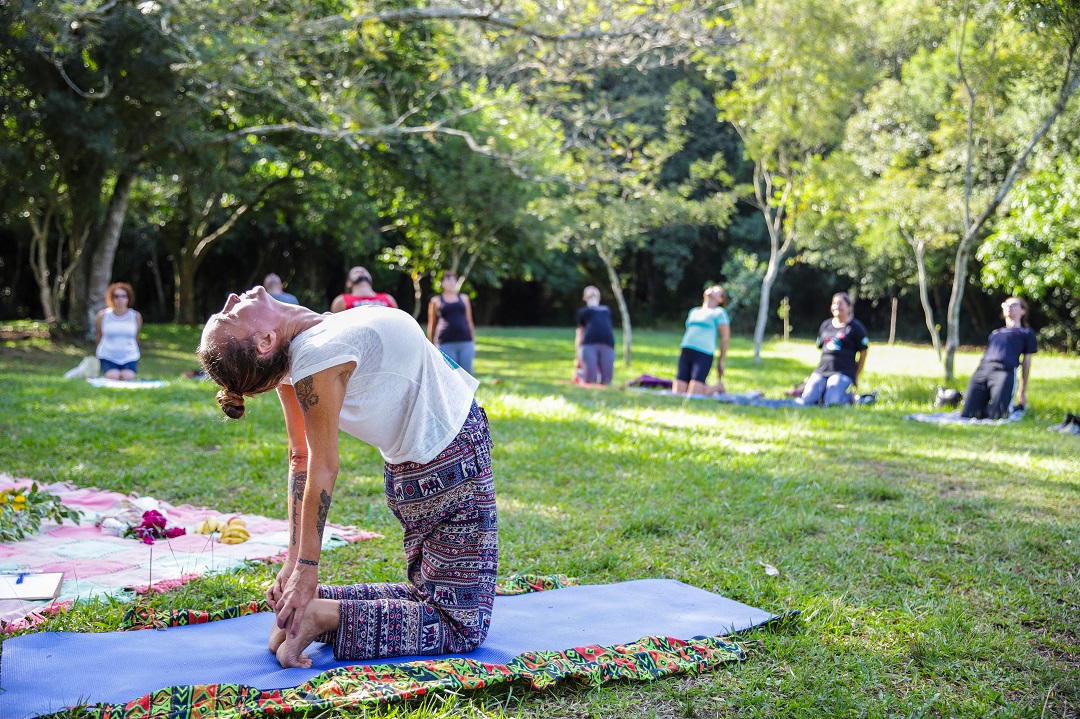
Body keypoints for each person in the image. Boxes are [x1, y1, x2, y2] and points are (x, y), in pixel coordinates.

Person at [197, 288, 497, 668]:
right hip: (451, 465)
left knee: (430, 596)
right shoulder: (316, 355)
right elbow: (317, 464)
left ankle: (308, 608)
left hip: (424, 472)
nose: (230, 298)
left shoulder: (303, 350)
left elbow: (300, 458)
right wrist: (304, 567)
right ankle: (321, 617)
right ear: (265, 340)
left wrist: (296, 568)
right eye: (230, 315)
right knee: (461, 625)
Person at [960, 296, 1037, 419]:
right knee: (968, 415)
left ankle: (1017, 407)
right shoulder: (996, 333)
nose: (1009, 307)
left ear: (1023, 311)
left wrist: (1022, 391)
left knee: (997, 415)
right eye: (1006, 305)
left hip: (1004, 371)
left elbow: (1027, 361)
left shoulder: (1026, 333)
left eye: (1014, 304)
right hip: (983, 370)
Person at [796, 292, 869, 406]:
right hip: (822, 371)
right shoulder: (825, 325)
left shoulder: (856, 327)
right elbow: (820, 345)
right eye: (834, 303)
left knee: (831, 402)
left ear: (849, 307)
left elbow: (863, 352)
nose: (837, 306)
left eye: (841, 303)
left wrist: (856, 375)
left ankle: (853, 397)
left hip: (843, 372)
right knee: (807, 400)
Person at [674, 285, 730, 396]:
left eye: (717, 291)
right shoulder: (694, 311)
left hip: (703, 353)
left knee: (693, 394)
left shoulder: (719, 312)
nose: (712, 289)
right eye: (712, 288)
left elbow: (725, 338)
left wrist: (721, 361)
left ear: (720, 300)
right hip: (686, 351)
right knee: (677, 393)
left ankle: (718, 387)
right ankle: (702, 386)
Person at [426, 270, 476, 375]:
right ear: (442, 283)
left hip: (465, 341)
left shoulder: (464, 298)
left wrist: (473, 341)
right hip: (445, 342)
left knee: (467, 375)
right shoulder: (436, 301)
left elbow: (469, 321)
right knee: (450, 375)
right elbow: (432, 324)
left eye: (454, 280)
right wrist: (431, 345)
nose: (452, 283)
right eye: (449, 280)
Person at [95, 282, 143, 380]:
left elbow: (136, 337)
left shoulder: (136, 316)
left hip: (129, 356)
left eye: (123, 296)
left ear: (128, 298)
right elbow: (99, 336)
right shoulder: (102, 316)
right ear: (111, 298)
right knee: (113, 376)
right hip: (108, 355)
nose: (120, 299)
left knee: (128, 377)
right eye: (116, 296)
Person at [574, 285, 616, 385]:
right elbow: (580, 332)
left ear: (599, 296)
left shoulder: (606, 310)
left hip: (607, 344)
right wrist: (578, 352)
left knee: (607, 381)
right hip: (588, 345)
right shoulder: (583, 312)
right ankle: (581, 374)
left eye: (594, 290)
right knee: (590, 380)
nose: (592, 290)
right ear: (584, 297)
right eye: (589, 290)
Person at [330, 266, 398, 312]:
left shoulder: (388, 298)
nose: (362, 272)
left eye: (365, 271)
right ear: (349, 283)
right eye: (356, 272)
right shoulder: (341, 301)